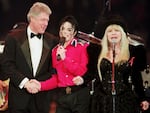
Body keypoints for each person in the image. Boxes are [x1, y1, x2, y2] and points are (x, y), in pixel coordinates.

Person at [80, 14, 149, 113]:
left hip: (125, 101)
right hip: (102, 101)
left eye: (117, 31)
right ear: (106, 35)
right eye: (110, 31)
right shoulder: (98, 52)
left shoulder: (132, 52)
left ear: (122, 34)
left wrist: (143, 97)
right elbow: (91, 73)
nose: (113, 33)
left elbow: (139, 76)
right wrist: (81, 79)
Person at [1, 2, 58, 113]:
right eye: (43, 20)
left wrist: (39, 85)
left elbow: (52, 70)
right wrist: (25, 83)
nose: (46, 23)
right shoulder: (13, 38)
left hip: (41, 101)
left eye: (47, 20)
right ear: (32, 18)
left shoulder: (52, 41)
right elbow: (7, 65)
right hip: (18, 99)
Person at [31, 15, 91, 113]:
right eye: (62, 28)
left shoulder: (82, 47)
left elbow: (82, 71)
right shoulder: (55, 51)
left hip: (79, 94)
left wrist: (65, 59)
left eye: (69, 29)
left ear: (74, 32)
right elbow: (56, 79)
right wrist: (40, 86)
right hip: (62, 95)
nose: (65, 32)